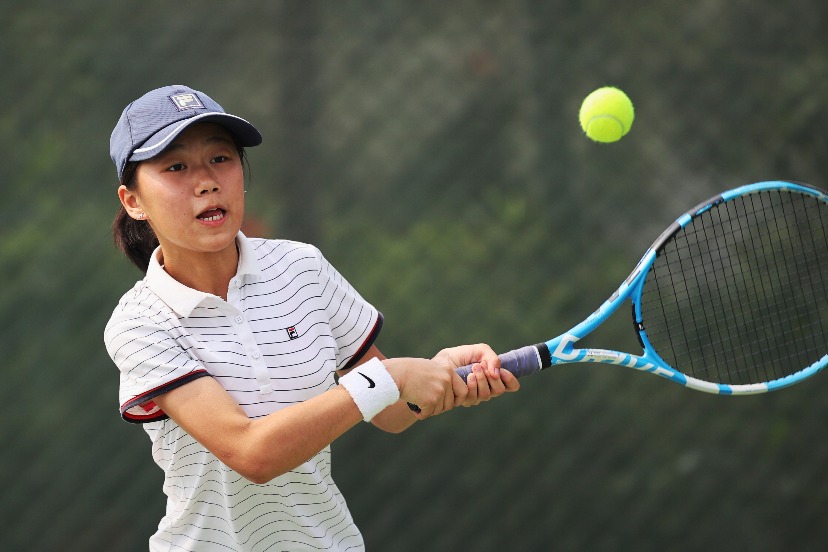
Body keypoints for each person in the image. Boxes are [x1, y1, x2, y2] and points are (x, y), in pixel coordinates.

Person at [104, 85, 519, 551]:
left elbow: (390, 412)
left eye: (221, 158)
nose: (206, 181)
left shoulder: (301, 267)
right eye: (176, 167)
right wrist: (393, 377)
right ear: (133, 201)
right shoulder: (140, 322)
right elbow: (251, 453)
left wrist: (438, 376)